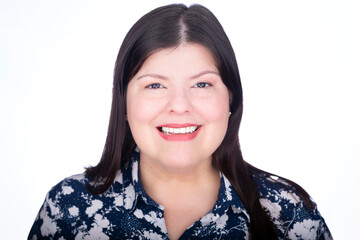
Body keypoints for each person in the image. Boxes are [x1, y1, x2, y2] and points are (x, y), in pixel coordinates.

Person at [28, 4, 332, 240]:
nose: (179, 106)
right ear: (123, 102)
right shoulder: (68, 209)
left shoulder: (287, 212)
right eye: (155, 86)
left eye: (201, 85)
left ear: (231, 99)